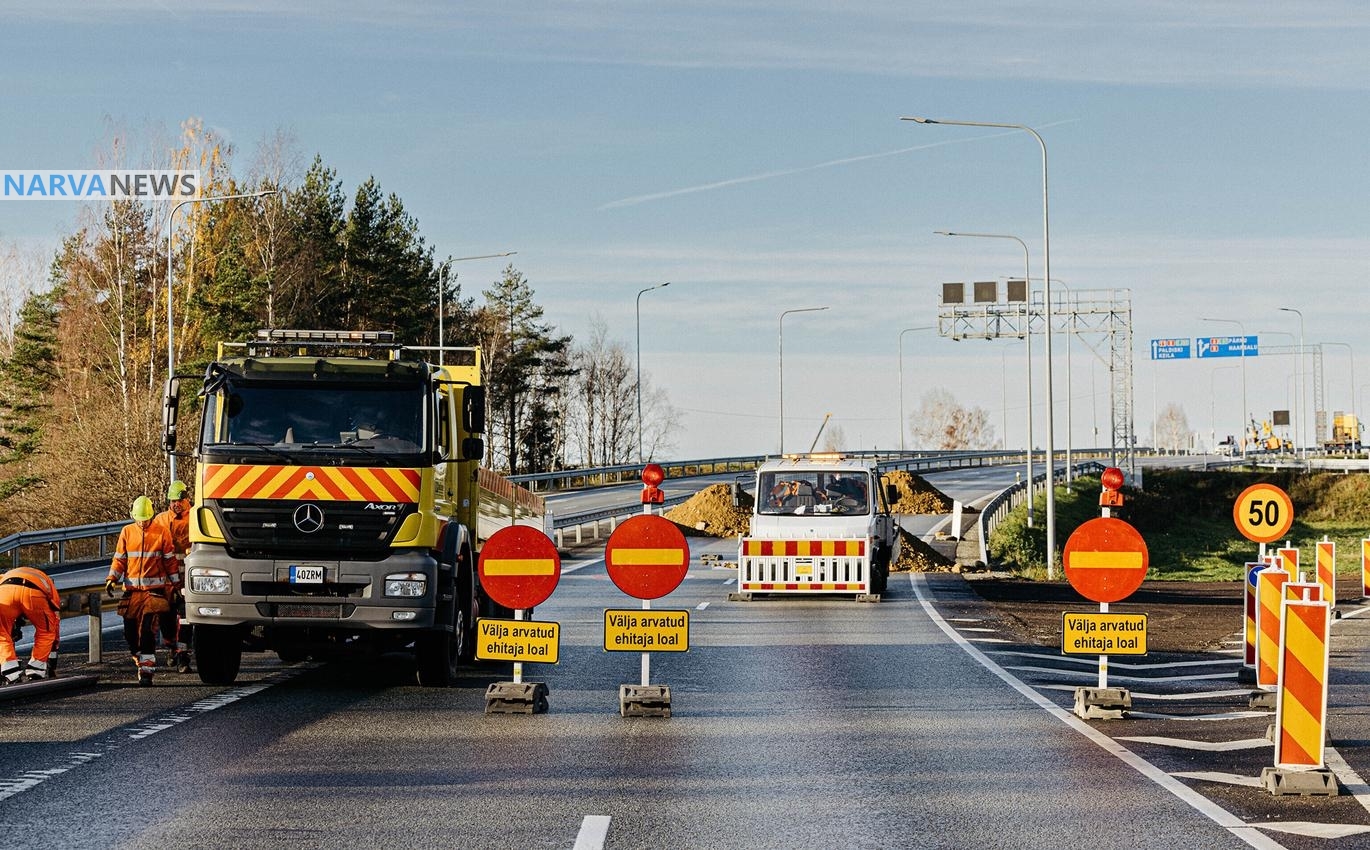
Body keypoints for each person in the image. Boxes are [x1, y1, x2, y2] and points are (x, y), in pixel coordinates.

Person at [107, 496, 178, 686]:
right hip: (132, 591)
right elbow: (120, 559)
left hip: (154, 592)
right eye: (139, 518)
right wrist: (112, 578)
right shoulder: (127, 532)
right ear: (133, 516)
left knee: (148, 630)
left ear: (151, 516)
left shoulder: (162, 532)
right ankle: (137, 656)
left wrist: (177, 585)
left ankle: (147, 670)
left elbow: (170, 562)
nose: (142, 522)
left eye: (145, 518)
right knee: (130, 631)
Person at [153, 480, 193, 673]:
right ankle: (171, 649)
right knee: (166, 619)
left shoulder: (196, 517)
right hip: (166, 581)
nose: (176, 503)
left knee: (186, 618)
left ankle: (184, 657)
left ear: (187, 499)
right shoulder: (160, 520)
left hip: (188, 580)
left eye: (180, 499)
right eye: (173, 500)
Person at [0, 566, 61, 684]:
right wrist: (52, 665)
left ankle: (11, 672)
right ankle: (35, 671)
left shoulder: (4, 576)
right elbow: (55, 624)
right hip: (33, 592)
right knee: (46, 632)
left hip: (4, 592)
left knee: (2, 633)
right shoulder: (47, 583)